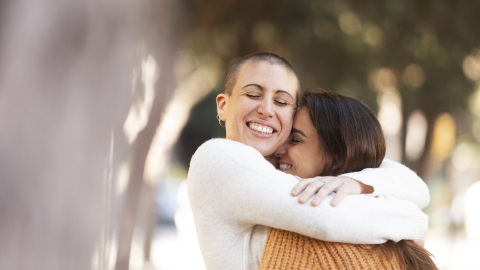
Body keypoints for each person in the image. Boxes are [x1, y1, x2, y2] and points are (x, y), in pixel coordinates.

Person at [187, 52, 429, 270]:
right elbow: (324, 219)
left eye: (281, 101)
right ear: (222, 106)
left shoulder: (276, 166)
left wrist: (355, 182)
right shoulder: (218, 157)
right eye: (252, 94)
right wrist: (413, 218)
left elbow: (409, 182)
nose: (266, 110)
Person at [260, 90, 436, 270]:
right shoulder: (402, 240)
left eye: (295, 140)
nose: (278, 150)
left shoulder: (296, 243)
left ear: (337, 157)